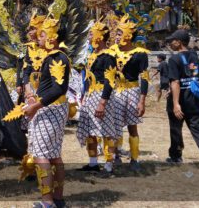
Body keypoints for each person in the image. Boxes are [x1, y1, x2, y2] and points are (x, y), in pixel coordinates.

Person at [23, 16, 71, 208]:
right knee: (53, 155)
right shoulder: (55, 56)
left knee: (42, 155)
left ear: (52, 37)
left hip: (50, 109)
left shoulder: (57, 57)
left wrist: (36, 105)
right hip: (52, 108)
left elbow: (59, 88)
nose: (39, 37)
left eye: (42, 34)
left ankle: (47, 201)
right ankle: (57, 199)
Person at [165, 29, 199, 173]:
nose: (170, 43)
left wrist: (176, 104)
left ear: (179, 42)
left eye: (173, 40)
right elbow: (198, 79)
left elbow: (175, 82)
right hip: (194, 100)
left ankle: (176, 156)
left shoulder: (174, 59)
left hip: (180, 100)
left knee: (176, 129)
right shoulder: (195, 57)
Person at [76, 20, 119, 175]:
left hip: (102, 96)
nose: (89, 36)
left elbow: (110, 81)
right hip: (90, 95)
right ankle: (93, 163)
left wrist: (102, 103)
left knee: (106, 131)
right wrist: (84, 95)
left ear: (100, 36)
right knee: (90, 131)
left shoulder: (108, 56)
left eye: (92, 33)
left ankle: (109, 165)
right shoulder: (93, 55)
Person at [110, 15, 150, 171]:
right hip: (116, 91)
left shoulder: (140, 53)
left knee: (132, 126)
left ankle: (134, 158)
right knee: (115, 125)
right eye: (117, 33)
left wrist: (142, 100)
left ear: (128, 35)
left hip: (133, 91)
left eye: (120, 33)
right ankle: (117, 156)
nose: (117, 36)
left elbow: (144, 77)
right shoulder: (112, 52)